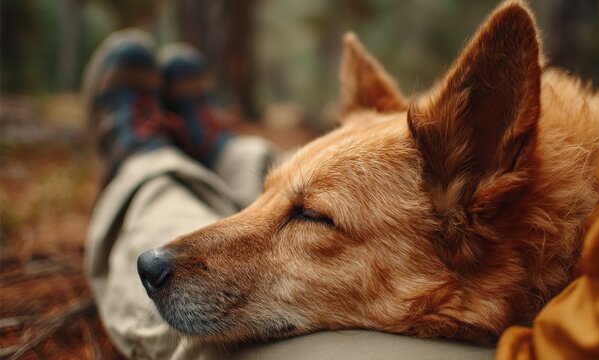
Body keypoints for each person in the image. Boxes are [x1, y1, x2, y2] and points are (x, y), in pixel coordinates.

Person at [83, 29, 494, 359]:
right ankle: (222, 152)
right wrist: (302, 205)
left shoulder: (473, 182)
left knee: (217, 345)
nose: (166, 259)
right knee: (307, 177)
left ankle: (142, 168)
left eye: (311, 219)